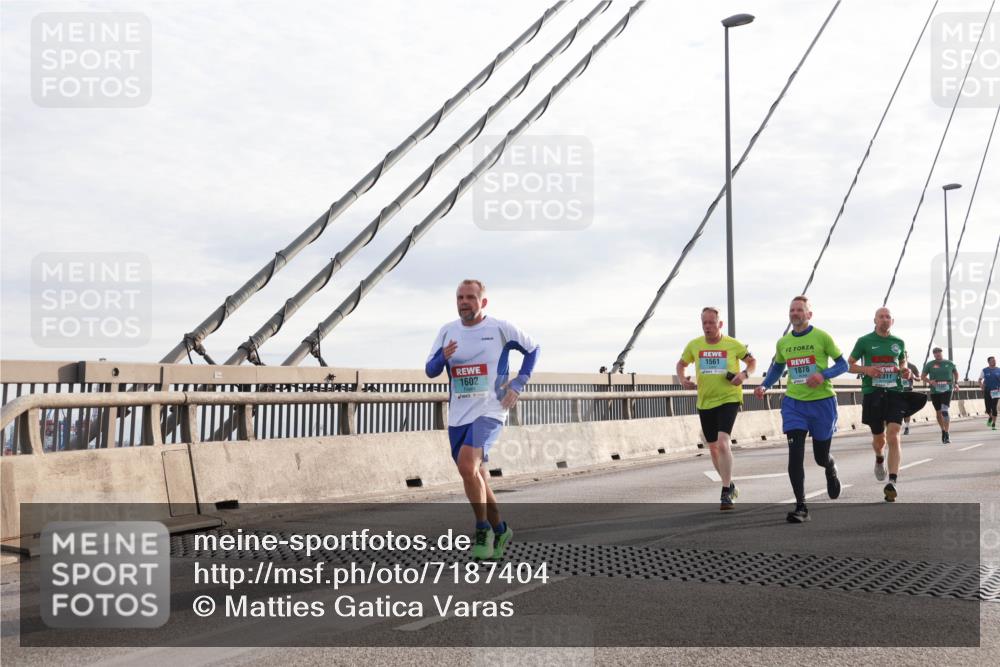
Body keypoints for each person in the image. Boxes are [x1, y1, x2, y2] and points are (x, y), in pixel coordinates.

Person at [425, 279, 539, 560]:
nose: (464, 302)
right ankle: (501, 529)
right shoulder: (447, 331)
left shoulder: (500, 328)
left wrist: (518, 384)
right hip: (459, 414)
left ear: (483, 302)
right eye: (460, 297)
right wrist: (442, 357)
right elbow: (430, 370)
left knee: (467, 466)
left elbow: (533, 349)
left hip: (491, 410)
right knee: (475, 476)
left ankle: (482, 530)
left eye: (470, 297)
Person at [754, 296, 848, 523]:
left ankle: (830, 466)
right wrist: (764, 385)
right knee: (795, 455)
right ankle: (801, 506)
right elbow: (777, 368)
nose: (794, 313)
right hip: (794, 405)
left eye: (799, 310)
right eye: (792, 310)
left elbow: (843, 365)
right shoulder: (783, 343)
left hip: (822, 403)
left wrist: (822, 375)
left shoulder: (822, 337)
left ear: (809, 314)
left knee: (820, 457)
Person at [677, 307, 756, 511]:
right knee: (712, 447)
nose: (707, 326)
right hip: (705, 401)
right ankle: (730, 485)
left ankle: (725, 491)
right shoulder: (695, 345)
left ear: (720, 324)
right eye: (704, 323)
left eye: (711, 322)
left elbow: (752, 362)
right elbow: (681, 364)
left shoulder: (733, 344)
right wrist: (682, 380)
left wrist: (744, 375)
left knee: (722, 442)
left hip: (729, 398)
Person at [848, 307, 912, 502]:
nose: (885, 319)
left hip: (895, 392)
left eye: (888, 317)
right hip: (873, 393)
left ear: (892, 321)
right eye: (881, 317)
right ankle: (879, 457)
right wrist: (866, 369)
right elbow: (849, 365)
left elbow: (903, 363)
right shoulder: (864, 341)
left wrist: (905, 371)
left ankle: (892, 481)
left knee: (894, 434)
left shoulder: (899, 342)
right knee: (879, 440)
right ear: (875, 320)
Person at [921, 347, 959, 444]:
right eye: (935, 353)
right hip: (935, 391)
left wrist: (956, 383)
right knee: (938, 413)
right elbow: (923, 376)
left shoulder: (949, 363)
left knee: (944, 410)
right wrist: (930, 381)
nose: (937, 354)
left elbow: (955, 373)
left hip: (947, 389)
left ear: (942, 353)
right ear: (933, 354)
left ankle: (947, 432)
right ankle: (943, 430)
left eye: (939, 352)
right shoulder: (930, 364)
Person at [901, 354, 921, 436]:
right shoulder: (894, 365)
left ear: (907, 357)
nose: (903, 357)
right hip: (896, 390)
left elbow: (919, 378)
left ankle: (907, 427)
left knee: (907, 410)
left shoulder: (912, 366)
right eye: (902, 356)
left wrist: (914, 377)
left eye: (905, 356)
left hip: (908, 390)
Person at [980, 356, 1000, 430]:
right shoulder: (984, 370)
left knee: (994, 407)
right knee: (988, 409)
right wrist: (981, 385)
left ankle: (993, 424)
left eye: (995, 360)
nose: (994, 362)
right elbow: (980, 379)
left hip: (996, 391)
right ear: (988, 362)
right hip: (987, 391)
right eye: (992, 361)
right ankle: (990, 417)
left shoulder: (999, 370)